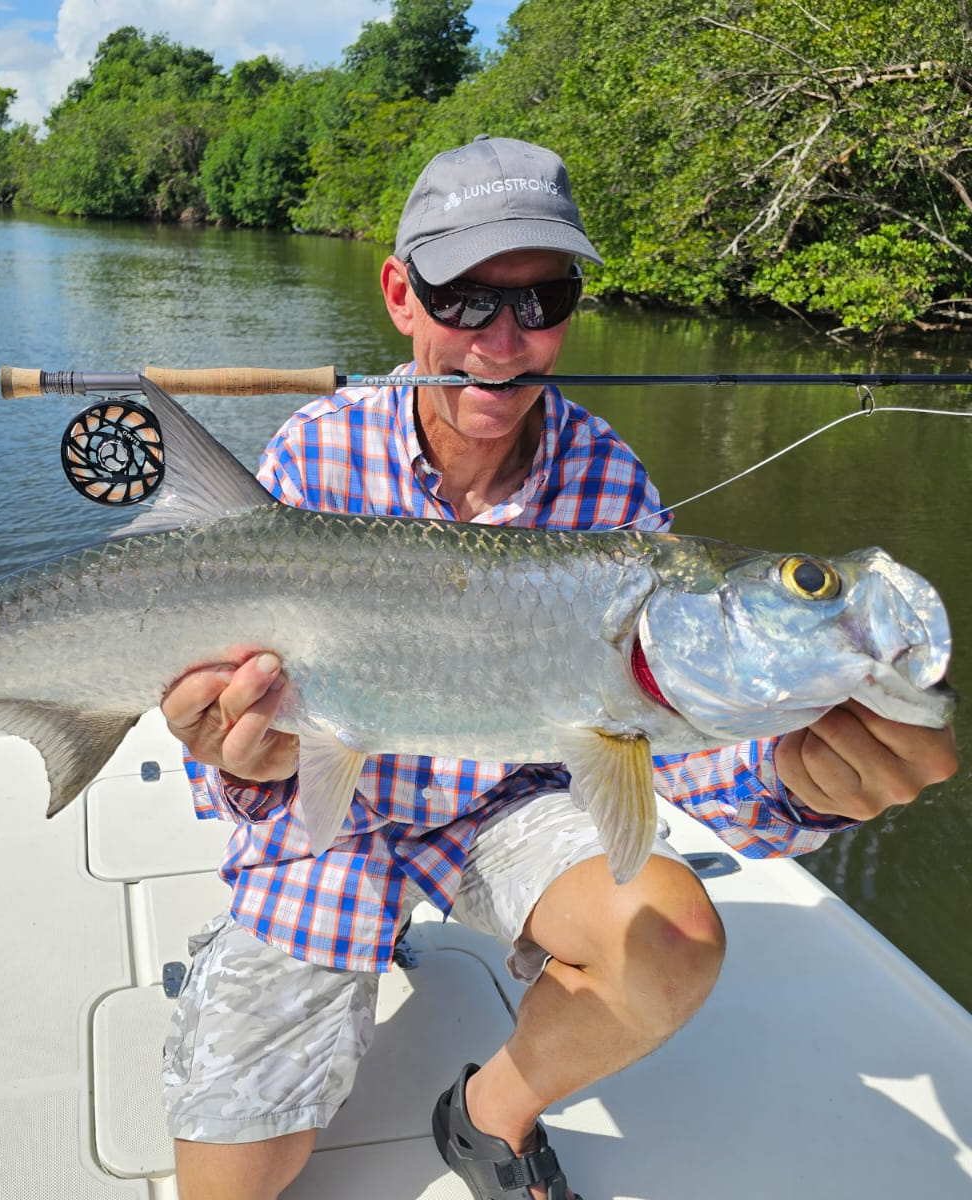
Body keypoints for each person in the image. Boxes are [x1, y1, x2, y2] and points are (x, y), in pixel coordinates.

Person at [159, 135, 957, 1200]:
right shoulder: (315, 448)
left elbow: (660, 745)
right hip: (335, 819)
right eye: (466, 298)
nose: (503, 339)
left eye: (542, 301)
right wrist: (237, 758)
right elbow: (242, 732)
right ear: (401, 295)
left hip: (505, 800)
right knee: (234, 1189)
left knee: (671, 935)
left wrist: (796, 782)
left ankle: (489, 1113)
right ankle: (256, 957)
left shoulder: (610, 481)